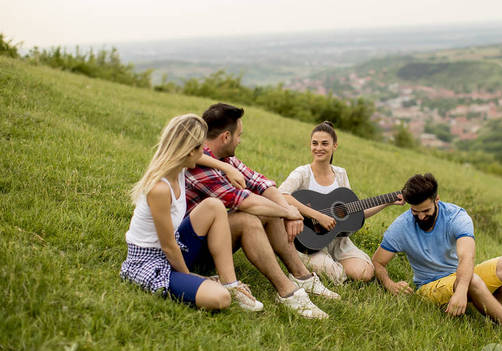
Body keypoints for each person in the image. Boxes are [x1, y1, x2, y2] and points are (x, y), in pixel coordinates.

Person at [372, 173, 502, 351]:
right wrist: (389, 284)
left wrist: (461, 291)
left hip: (459, 275)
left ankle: (490, 311)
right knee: (473, 281)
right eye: (415, 212)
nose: (421, 217)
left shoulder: (456, 216)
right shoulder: (401, 226)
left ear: (437, 200)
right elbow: (378, 262)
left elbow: (466, 258)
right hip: (430, 286)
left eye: (426, 211)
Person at [185, 103, 339, 319]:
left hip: (213, 239)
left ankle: (302, 276)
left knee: (270, 209)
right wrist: (289, 212)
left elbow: (262, 183)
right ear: (226, 137)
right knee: (249, 218)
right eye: (239, 135)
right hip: (190, 251)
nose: (240, 140)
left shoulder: (225, 159)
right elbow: (244, 202)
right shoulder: (198, 164)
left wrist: (286, 208)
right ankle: (288, 293)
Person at [120, 114, 262, 312]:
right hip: (149, 260)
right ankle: (206, 283)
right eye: (200, 147)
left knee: (213, 205)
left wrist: (224, 166)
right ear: (189, 151)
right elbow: (168, 246)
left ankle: (231, 283)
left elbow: (201, 157)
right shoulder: (160, 189)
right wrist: (189, 277)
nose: (204, 152)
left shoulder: (179, 169)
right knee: (220, 299)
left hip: (173, 247)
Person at [279, 121, 403, 284]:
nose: (319, 148)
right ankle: (317, 266)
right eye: (314, 143)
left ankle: (331, 265)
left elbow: (354, 211)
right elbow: (282, 195)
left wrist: (388, 201)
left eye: (325, 143)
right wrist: (317, 215)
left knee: (365, 272)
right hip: (307, 240)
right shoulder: (303, 173)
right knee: (333, 273)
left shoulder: (340, 174)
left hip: (338, 241)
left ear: (335, 146)